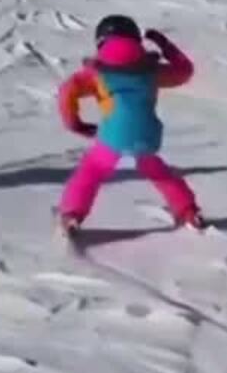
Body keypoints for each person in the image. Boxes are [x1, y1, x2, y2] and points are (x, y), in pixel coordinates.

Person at [56, 15, 202, 234]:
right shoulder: (151, 70)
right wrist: (165, 45)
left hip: (113, 135)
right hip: (147, 134)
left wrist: (75, 124)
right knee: (160, 173)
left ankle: (72, 215)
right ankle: (188, 212)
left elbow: (68, 90)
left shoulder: (96, 73)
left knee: (92, 170)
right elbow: (184, 72)